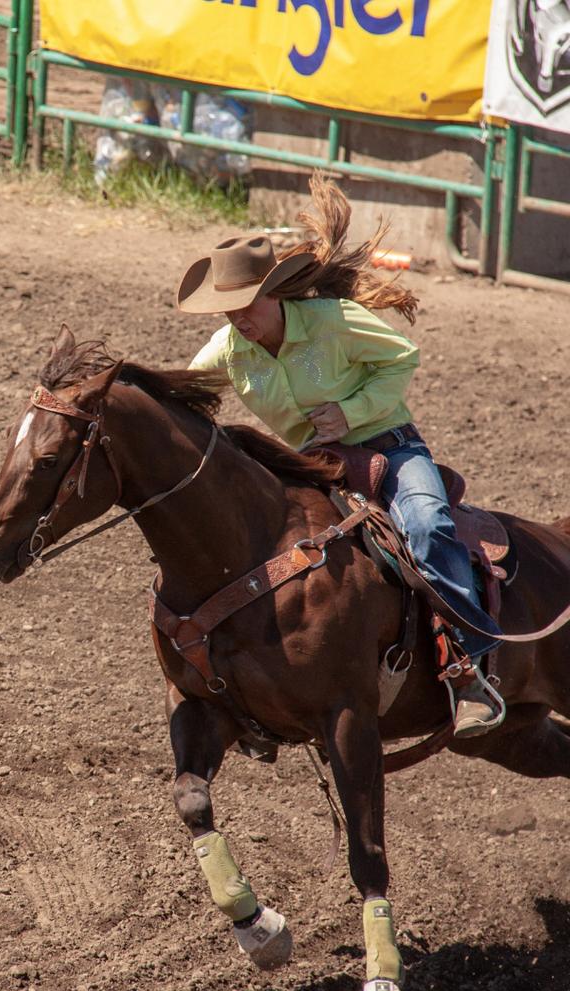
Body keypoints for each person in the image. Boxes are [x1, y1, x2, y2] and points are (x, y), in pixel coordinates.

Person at [175, 173, 505, 739]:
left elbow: (401, 357)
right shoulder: (231, 348)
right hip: (313, 463)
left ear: (273, 295)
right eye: (227, 312)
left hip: (389, 446)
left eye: (245, 306)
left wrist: (351, 412)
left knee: (427, 524)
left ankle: (469, 671)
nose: (238, 320)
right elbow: (182, 389)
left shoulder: (330, 321)